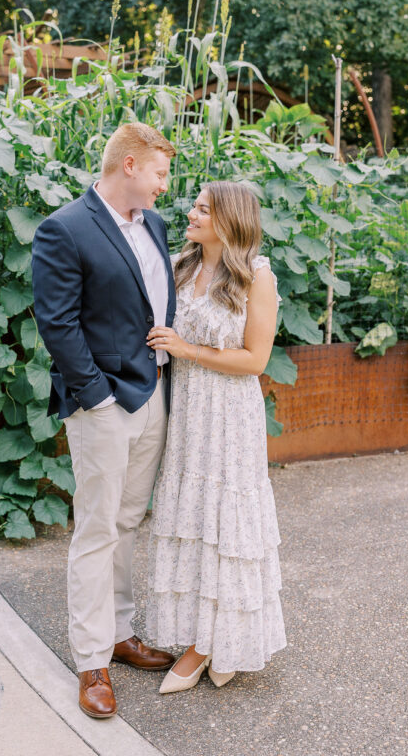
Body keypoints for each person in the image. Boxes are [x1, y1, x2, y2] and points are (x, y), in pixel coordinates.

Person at [31, 122, 178, 719]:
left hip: (154, 393)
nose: (166, 186)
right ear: (130, 166)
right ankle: (91, 659)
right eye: (161, 173)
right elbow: (57, 322)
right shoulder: (65, 228)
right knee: (96, 529)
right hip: (104, 405)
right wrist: (95, 397)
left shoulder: (157, 227)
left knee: (128, 520)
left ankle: (120, 632)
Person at [146, 180, 287, 693]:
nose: (191, 212)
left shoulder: (256, 276)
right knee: (194, 518)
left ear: (229, 219)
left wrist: (188, 351)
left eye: (203, 209)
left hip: (229, 414)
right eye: (195, 206)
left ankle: (216, 643)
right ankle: (201, 636)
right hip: (186, 412)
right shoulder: (182, 267)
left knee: (228, 526)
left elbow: (255, 360)